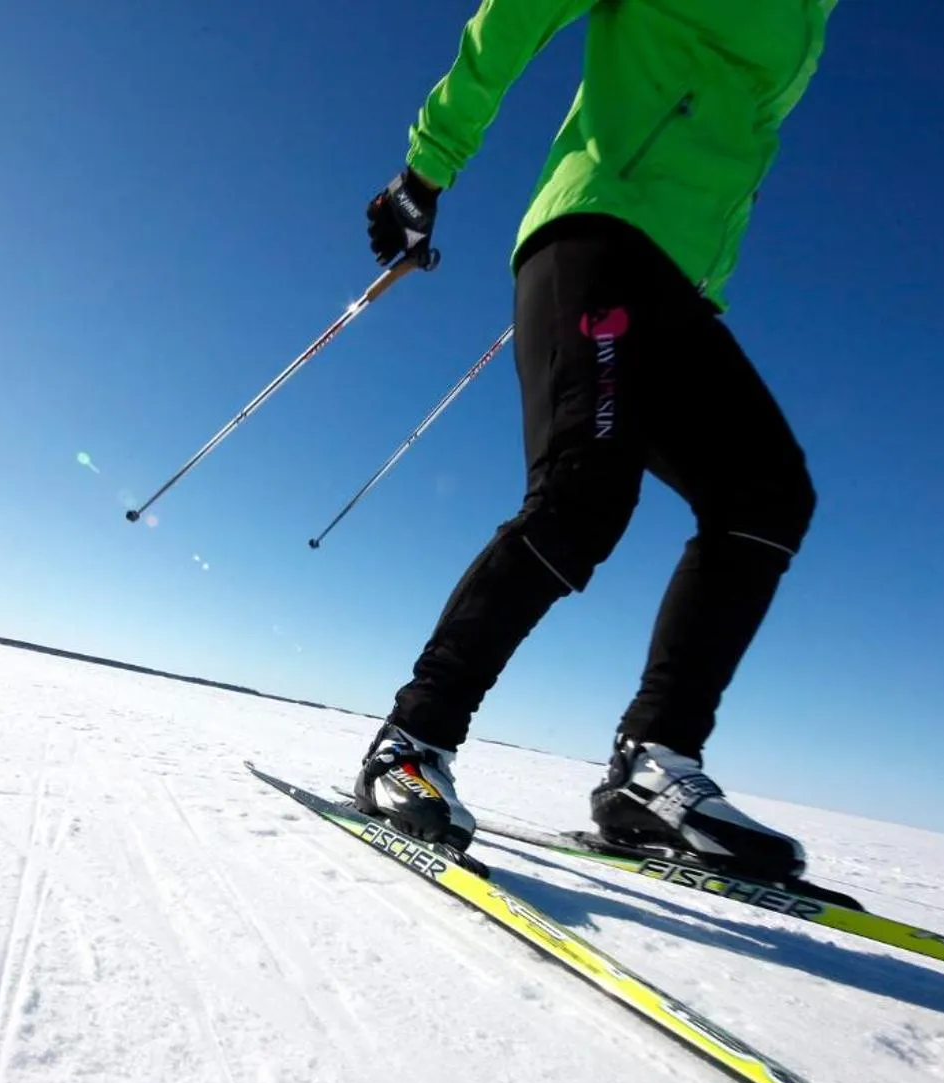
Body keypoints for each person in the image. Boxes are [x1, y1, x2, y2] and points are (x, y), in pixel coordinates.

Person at [354, 0, 833, 879]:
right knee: (585, 493)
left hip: (682, 286)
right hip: (599, 231)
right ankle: (413, 740)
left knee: (765, 493)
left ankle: (652, 770)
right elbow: (514, 17)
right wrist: (428, 169)